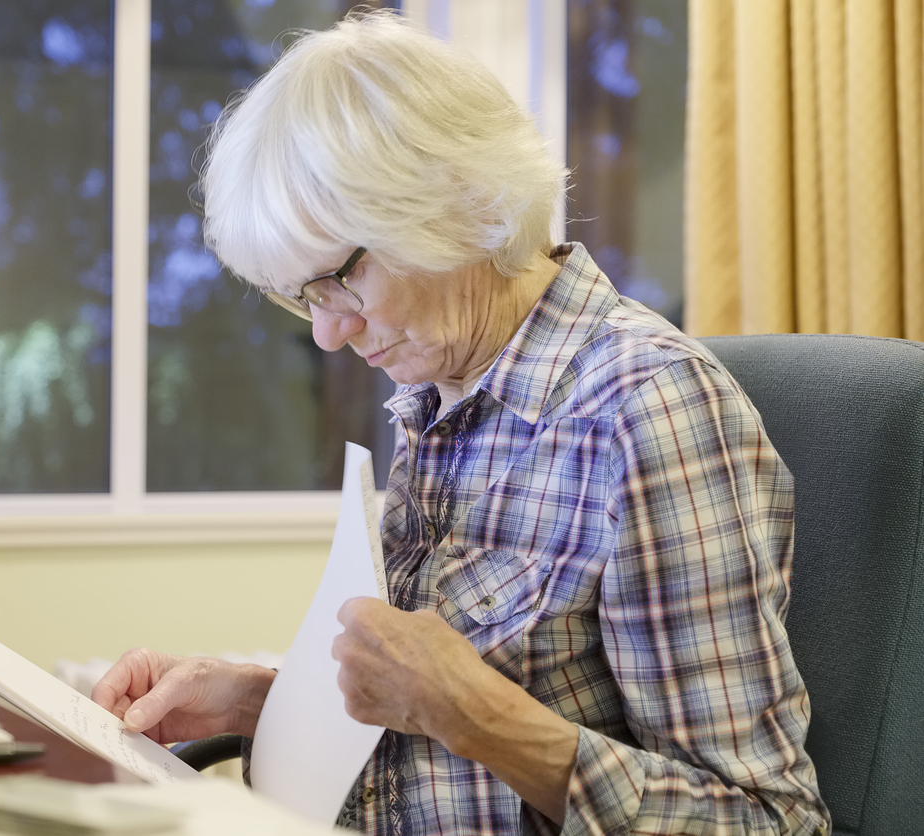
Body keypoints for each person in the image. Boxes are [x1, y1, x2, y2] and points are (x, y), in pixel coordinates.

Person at [92, 11, 829, 835]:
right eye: (303, 298)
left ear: (457, 203)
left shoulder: (645, 410)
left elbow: (769, 819)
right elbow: (427, 728)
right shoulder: (444, 394)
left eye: (338, 280)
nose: (328, 333)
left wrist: (477, 715)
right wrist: (261, 699)